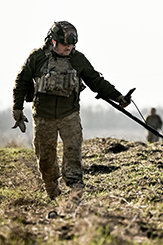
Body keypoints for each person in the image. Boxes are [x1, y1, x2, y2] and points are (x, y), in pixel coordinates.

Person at [12, 21, 130, 200]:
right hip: (43, 117)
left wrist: (118, 96)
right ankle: (52, 191)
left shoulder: (78, 59)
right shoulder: (37, 58)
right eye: (65, 44)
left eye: (71, 45)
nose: (68, 48)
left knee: (73, 153)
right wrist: (17, 107)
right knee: (45, 158)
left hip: (70, 116)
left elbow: (96, 81)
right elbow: (22, 81)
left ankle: (76, 191)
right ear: (53, 42)